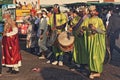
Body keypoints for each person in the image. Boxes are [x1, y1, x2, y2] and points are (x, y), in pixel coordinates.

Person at [80, 5, 106, 79]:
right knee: (90, 56)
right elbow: (83, 28)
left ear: (96, 11)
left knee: (96, 56)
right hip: (89, 41)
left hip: (97, 42)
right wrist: (82, 30)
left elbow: (103, 31)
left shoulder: (99, 20)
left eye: (93, 11)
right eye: (90, 11)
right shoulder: (87, 20)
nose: (92, 12)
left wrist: (95, 29)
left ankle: (97, 71)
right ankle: (92, 70)